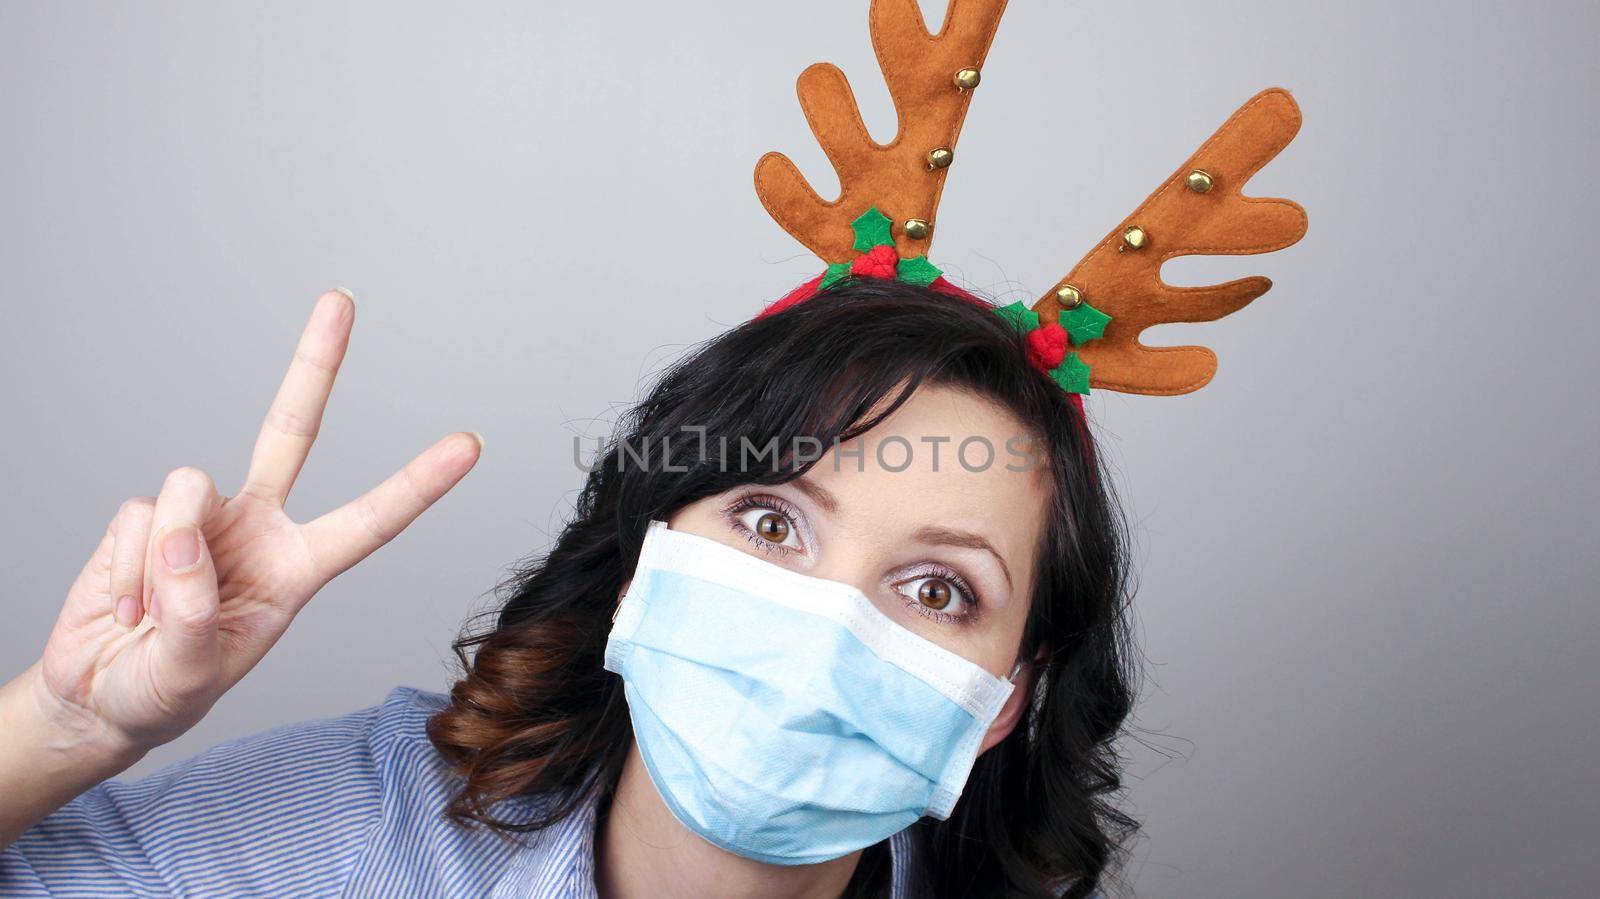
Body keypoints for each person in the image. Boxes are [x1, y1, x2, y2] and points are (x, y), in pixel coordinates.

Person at [0, 276, 1139, 898]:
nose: (822, 626)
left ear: (1000, 700)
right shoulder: (366, 828)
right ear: (651, 552)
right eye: (770, 518)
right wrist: (67, 725)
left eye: (938, 589)